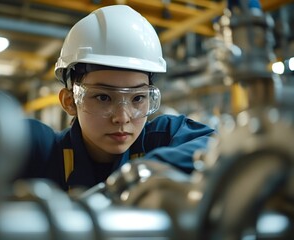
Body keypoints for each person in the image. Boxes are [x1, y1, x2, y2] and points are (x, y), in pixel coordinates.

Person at [18, 5, 215, 191]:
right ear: (70, 101)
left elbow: (221, 144)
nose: (122, 117)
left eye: (138, 98)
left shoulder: (164, 137)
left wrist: (147, 169)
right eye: (103, 97)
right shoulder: (43, 153)